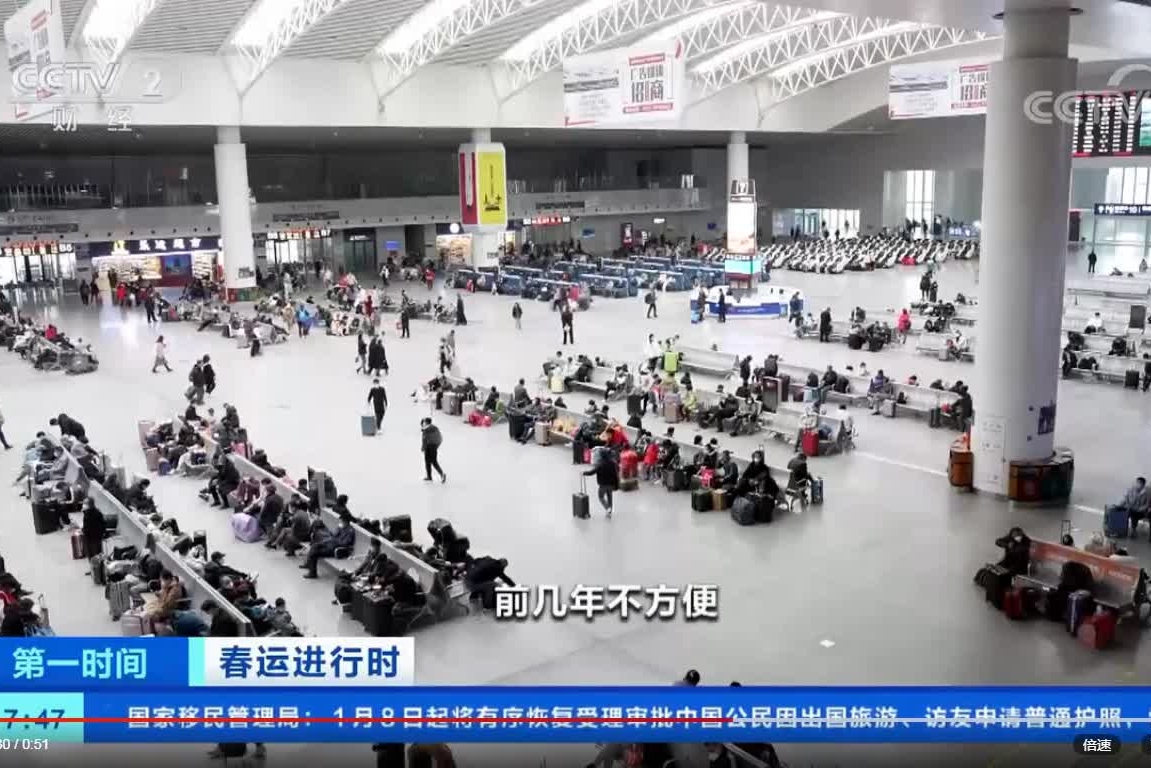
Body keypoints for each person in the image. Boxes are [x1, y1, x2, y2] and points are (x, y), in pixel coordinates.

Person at [301, 514, 356, 579]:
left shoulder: (350, 531)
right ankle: (309, 565)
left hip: (335, 549)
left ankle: (312, 573)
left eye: (342, 521)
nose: (341, 522)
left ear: (346, 522)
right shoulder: (341, 528)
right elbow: (334, 535)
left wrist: (335, 541)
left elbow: (345, 543)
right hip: (330, 545)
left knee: (314, 553)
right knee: (314, 546)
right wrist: (338, 529)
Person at [582, 445, 619, 518]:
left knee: (601, 497)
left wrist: (584, 473)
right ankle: (609, 511)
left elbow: (592, 472)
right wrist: (616, 484)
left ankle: (607, 508)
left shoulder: (600, 464)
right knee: (610, 497)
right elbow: (616, 474)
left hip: (603, 485)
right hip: (611, 484)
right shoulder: (612, 463)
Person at [421, 417, 446, 483]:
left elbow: (424, 439)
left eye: (425, 422)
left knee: (429, 462)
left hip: (428, 447)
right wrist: (436, 445)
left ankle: (440, 474)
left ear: (426, 422)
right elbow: (440, 438)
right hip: (434, 446)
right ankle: (430, 476)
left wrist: (423, 448)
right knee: (433, 461)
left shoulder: (426, 429)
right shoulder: (435, 428)